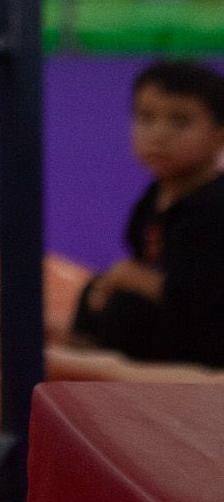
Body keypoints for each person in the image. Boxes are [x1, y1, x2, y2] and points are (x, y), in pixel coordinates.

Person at [67, 60, 224, 368]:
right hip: (176, 309)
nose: (158, 135)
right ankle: (82, 351)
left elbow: (196, 294)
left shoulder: (214, 207)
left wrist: (128, 278)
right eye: (145, 118)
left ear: (219, 137)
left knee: (126, 307)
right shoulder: (156, 196)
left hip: (209, 322)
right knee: (96, 288)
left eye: (180, 122)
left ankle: (104, 364)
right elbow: (142, 256)